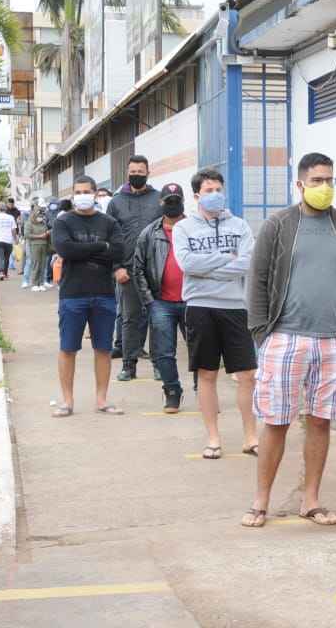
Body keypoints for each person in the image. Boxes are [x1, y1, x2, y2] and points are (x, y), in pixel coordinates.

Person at [242, 153, 336, 529]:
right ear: (299, 185)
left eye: (329, 180)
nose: (324, 187)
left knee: (320, 421)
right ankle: (260, 501)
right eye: (316, 181)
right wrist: (263, 334)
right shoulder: (278, 226)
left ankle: (310, 499)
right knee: (276, 421)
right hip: (285, 339)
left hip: (334, 341)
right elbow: (258, 280)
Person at [173, 168, 258, 459]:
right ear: (197, 195)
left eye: (218, 189)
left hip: (235, 307)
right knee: (206, 374)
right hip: (200, 306)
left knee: (246, 374)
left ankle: (250, 437)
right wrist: (224, 260)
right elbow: (186, 264)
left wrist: (210, 267)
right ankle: (213, 438)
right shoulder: (184, 228)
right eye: (208, 191)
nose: (215, 195)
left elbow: (247, 263)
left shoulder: (240, 226)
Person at [50, 175, 124, 418]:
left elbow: (118, 251)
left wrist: (82, 252)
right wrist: (100, 247)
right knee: (68, 348)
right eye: (78, 191)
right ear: (73, 195)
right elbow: (64, 249)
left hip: (103, 294)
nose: (82, 195)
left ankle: (102, 399)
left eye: (86, 191)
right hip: (72, 294)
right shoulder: (64, 222)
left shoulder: (109, 222)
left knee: (103, 348)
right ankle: (67, 401)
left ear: (95, 193)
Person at [133, 183, 188, 413]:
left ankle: (203, 391)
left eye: (176, 200)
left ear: (184, 201)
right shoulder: (149, 233)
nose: (172, 204)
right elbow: (138, 268)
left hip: (192, 300)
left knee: (200, 350)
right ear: (161, 203)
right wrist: (149, 300)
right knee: (164, 351)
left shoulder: (196, 228)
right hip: (161, 302)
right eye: (168, 200)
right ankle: (172, 391)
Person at [107, 156, 162, 379]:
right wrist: (116, 267)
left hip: (158, 269)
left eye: (141, 171)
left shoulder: (159, 198)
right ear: (127, 173)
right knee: (130, 318)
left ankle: (160, 364)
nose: (136, 174)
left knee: (159, 317)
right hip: (128, 269)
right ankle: (129, 364)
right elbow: (109, 237)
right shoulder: (116, 201)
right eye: (133, 171)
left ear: (148, 172)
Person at [24, 203, 51, 292]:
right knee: (36, 264)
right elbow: (27, 235)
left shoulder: (43, 223)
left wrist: (47, 234)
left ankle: (41, 283)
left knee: (43, 265)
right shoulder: (29, 223)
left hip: (44, 245)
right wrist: (40, 236)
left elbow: (47, 232)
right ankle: (34, 283)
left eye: (42, 215)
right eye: (39, 215)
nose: (41, 217)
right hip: (34, 246)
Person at [5, 198, 21, 274]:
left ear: (13, 204)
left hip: (15, 231)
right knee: (9, 248)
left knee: (14, 248)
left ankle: (11, 263)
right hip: (7, 232)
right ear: (7, 203)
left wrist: (20, 232)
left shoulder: (17, 211)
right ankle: (10, 264)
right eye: (9, 204)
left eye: (11, 204)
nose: (10, 205)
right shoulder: (5, 210)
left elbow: (19, 221)